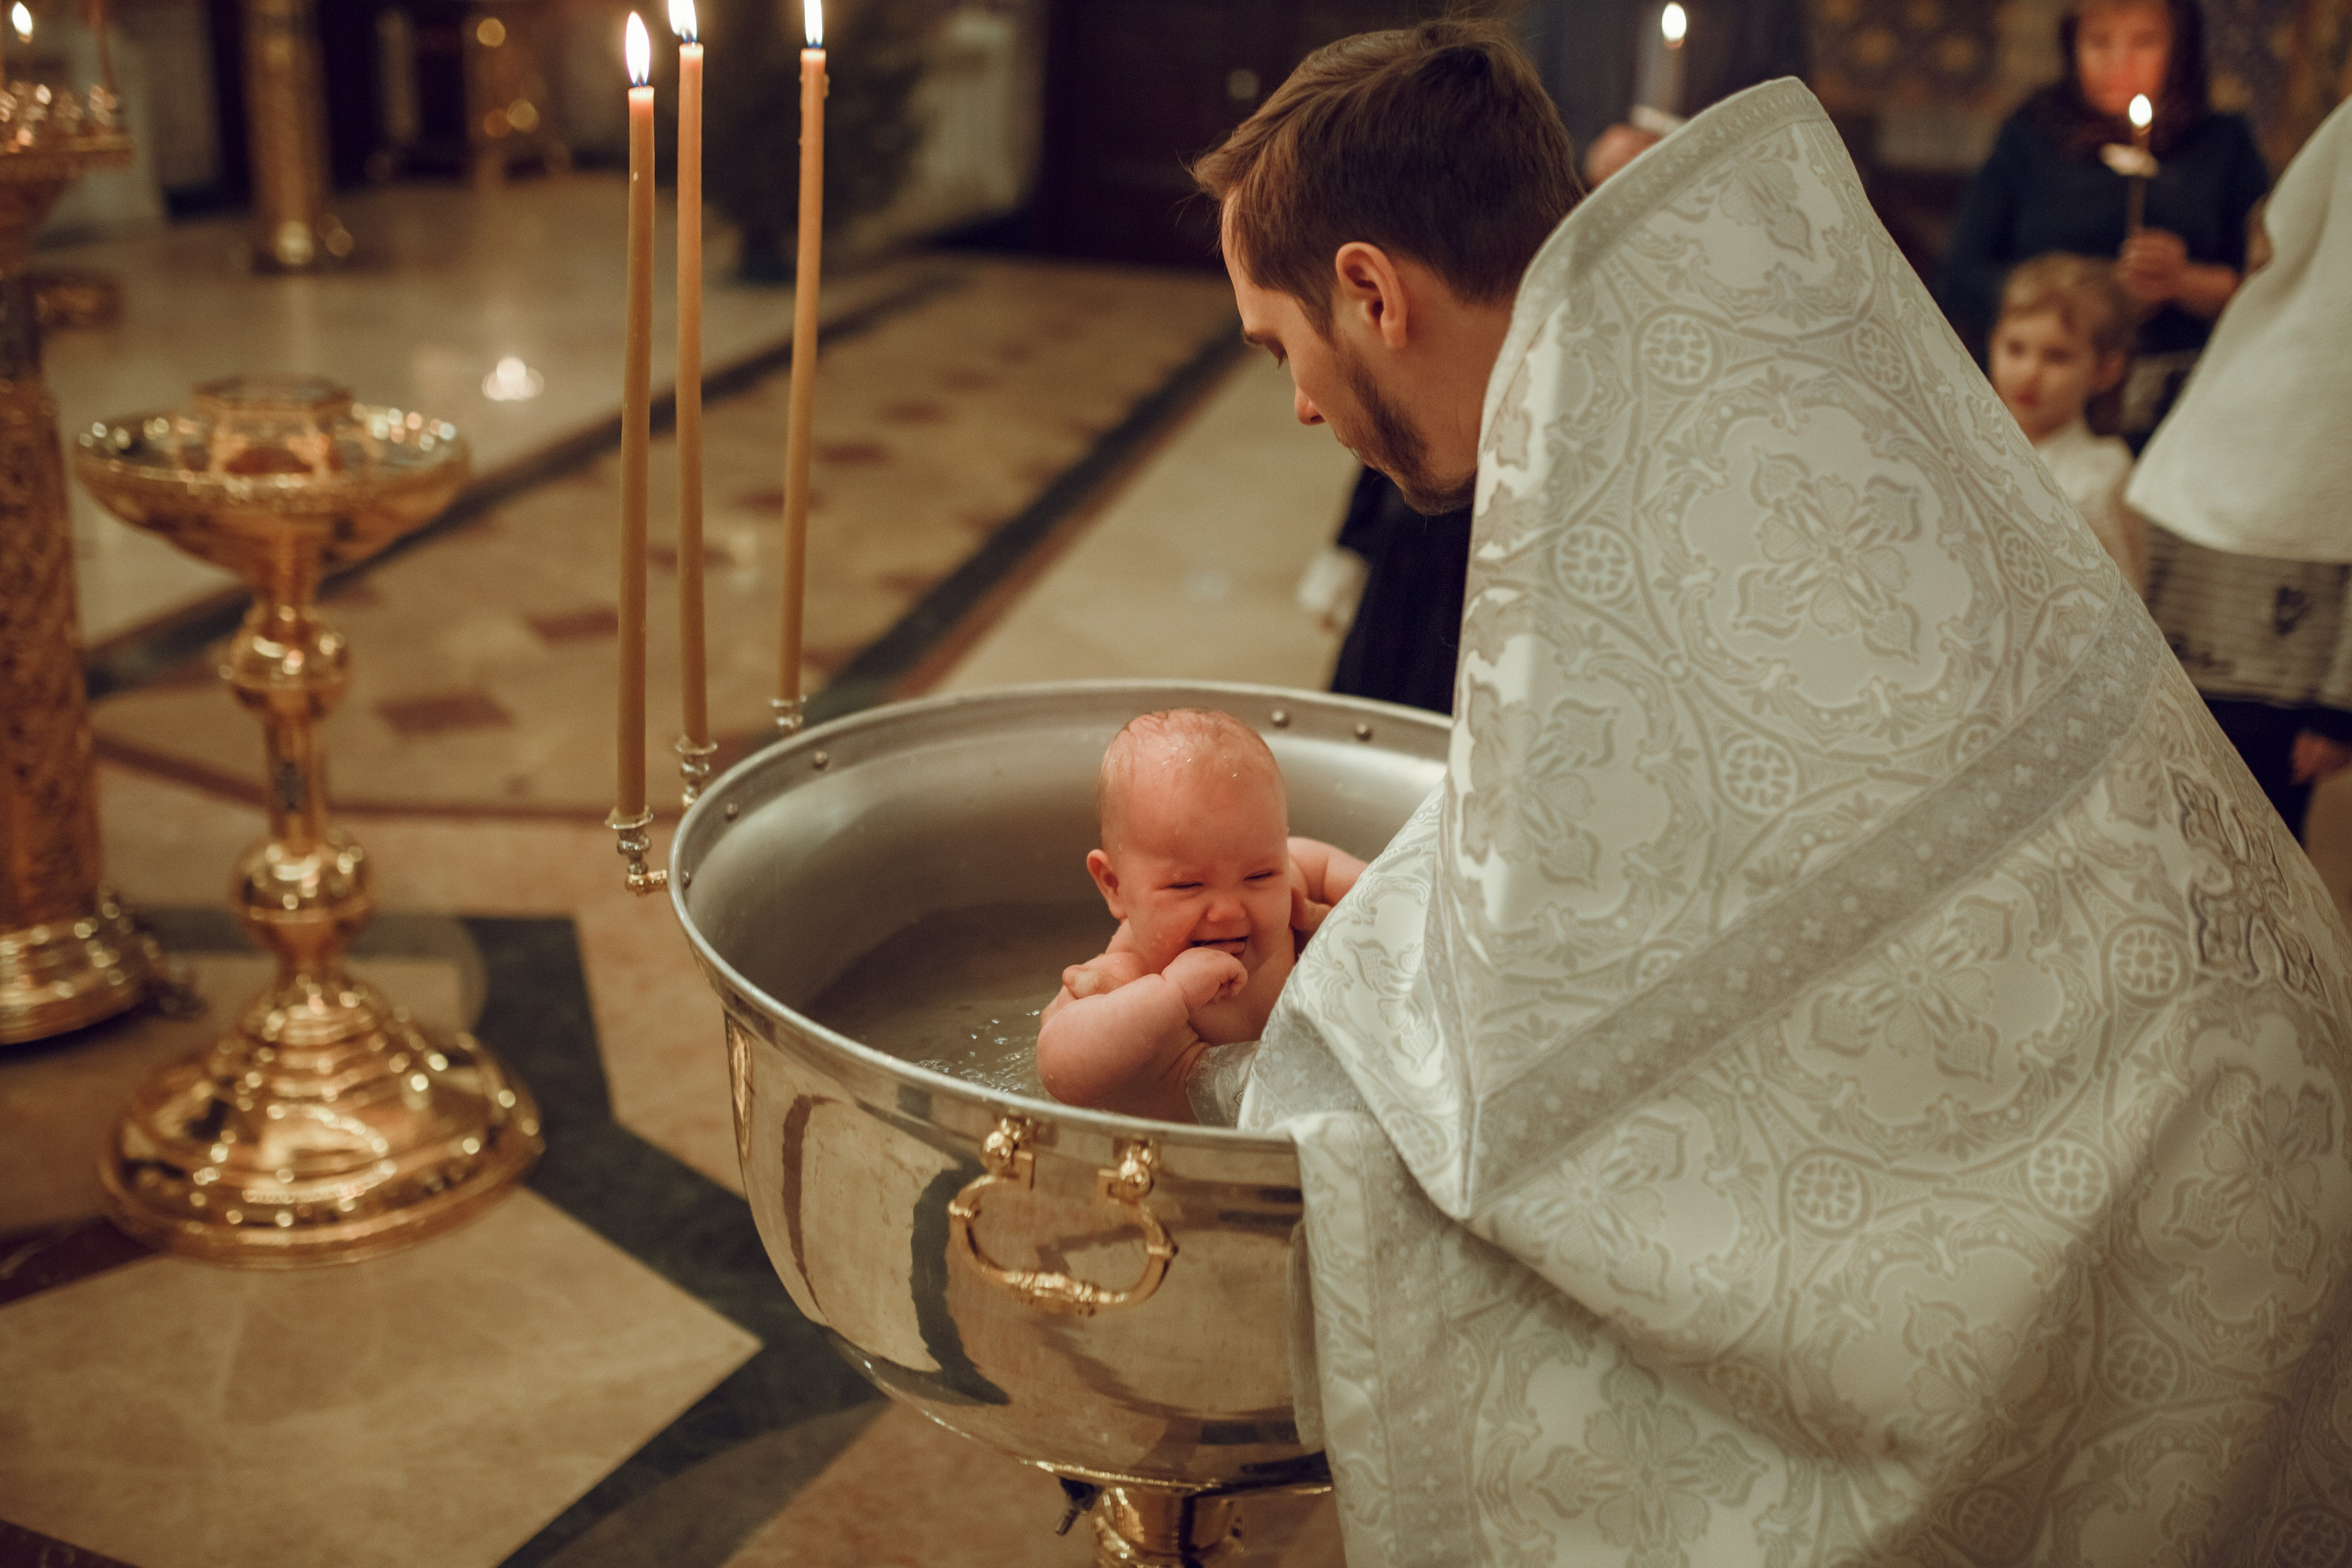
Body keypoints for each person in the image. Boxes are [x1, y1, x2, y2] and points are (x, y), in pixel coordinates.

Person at [1194, 25, 2352, 1564]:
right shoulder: (1695, 359)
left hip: (2178, 1187)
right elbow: (1725, 863)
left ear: (1370, 289)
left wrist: (1344, 1017)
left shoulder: (1615, 442)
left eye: (1281, 347)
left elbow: (1576, 1084)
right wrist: (1404, 915)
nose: (1293, 406)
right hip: (2256, 1063)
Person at [2128, 96, 2352, 841]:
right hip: (2182, 676)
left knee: (2264, 855)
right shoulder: (2231, 361)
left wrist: (2337, 711)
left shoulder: (2332, 386)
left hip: (2284, 699)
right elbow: (2162, 512)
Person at [1937, 0, 2268, 443]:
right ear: (2071, 43)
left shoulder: (2223, 145)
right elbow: (1961, 275)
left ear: (2182, 48)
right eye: (2098, 42)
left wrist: (2183, 282)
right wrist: (2079, 297)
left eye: (2144, 42)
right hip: (2037, 402)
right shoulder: (2032, 135)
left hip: (2179, 406)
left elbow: (2269, 286)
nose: (2119, 63)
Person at [1035, 709, 1363, 1122]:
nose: (1228, 910)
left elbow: (1402, 894)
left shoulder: (1296, 875)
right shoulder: (1124, 979)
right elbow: (1058, 1069)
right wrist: (1171, 996)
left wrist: (1346, 925)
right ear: (1114, 887)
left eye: (1259, 875)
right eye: (1186, 886)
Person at [1988, 254, 2145, 590]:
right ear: (1993, 343)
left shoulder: (2100, 476)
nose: (2030, 373)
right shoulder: (1967, 443)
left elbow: (2125, 606)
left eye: (2057, 356)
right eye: (2015, 349)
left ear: (2106, 371)